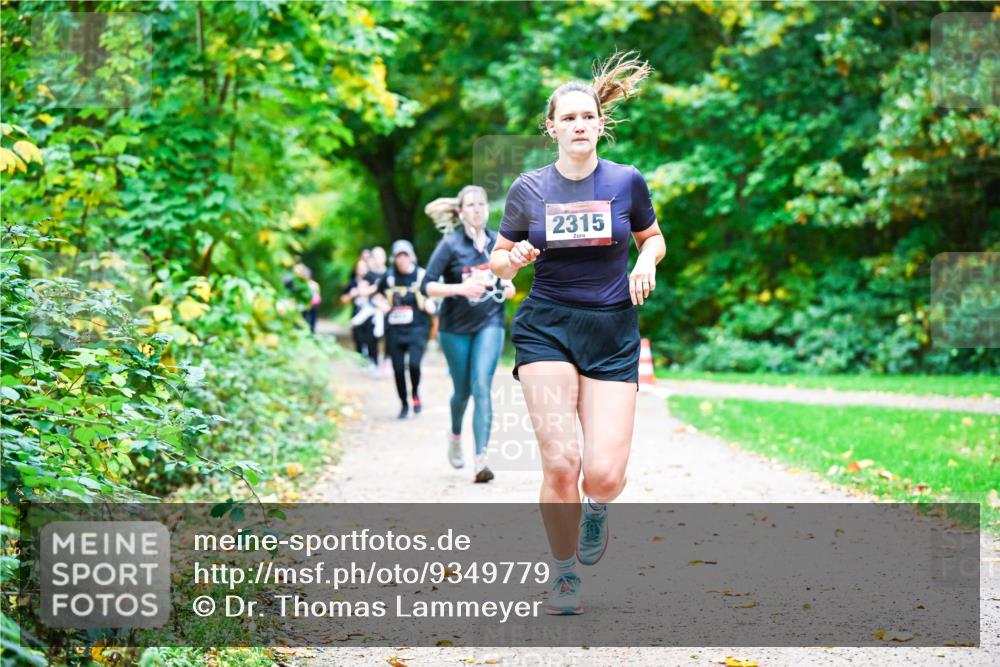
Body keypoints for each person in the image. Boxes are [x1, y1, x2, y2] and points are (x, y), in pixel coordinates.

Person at [488, 52, 665, 615]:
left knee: (604, 476)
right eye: (568, 118)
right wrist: (514, 258)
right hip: (547, 326)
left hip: (612, 329)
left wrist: (646, 263)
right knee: (562, 461)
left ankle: (597, 509)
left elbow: (652, 238)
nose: (579, 125)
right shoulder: (529, 188)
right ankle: (563, 572)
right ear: (552, 128)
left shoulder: (626, 181)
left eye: (587, 116)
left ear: (600, 123)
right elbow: (498, 259)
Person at [422, 186, 515, 483]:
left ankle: (481, 460)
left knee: (481, 385)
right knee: (462, 392)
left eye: (481, 204)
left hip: (490, 322)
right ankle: (455, 435)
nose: (477, 209)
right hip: (455, 328)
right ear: (461, 212)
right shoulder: (450, 245)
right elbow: (426, 285)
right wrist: (459, 289)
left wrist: (507, 284)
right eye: (471, 205)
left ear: (487, 209)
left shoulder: (498, 242)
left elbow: (507, 274)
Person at [374, 240, 437, 419]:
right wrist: (382, 305)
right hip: (394, 330)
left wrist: (430, 303)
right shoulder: (389, 277)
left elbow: (434, 293)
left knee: (414, 365)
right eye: (398, 256)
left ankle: (415, 393)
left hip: (417, 327)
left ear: (411, 257)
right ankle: (403, 403)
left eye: (405, 255)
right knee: (398, 368)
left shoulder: (421, 275)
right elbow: (376, 295)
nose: (402, 260)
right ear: (394, 259)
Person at [340, 257, 379, 368]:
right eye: (359, 268)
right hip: (356, 313)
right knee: (358, 338)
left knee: (371, 338)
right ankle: (362, 360)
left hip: (371, 314)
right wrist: (351, 294)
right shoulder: (352, 282)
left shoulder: (373, 280)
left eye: (363, 267)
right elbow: (343, 300)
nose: (361, 270)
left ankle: (373, 360)